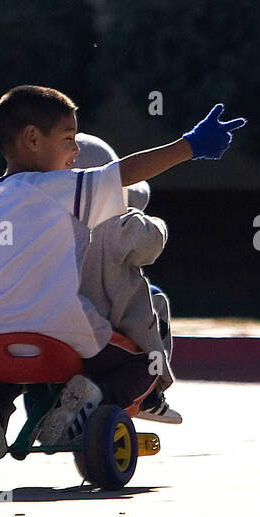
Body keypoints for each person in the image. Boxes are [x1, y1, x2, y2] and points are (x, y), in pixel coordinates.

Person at [0, 85, 245, 459]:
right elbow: (124, 172)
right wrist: (189, 146)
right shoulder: (59, 187)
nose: (75, 150)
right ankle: (81, 408)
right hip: (62, 329)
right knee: (144, 364)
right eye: (68, 139)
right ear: (33, 139)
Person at [72, 133, 180, 423]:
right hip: (102, 326)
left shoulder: (43, 221)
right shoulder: (117, 225)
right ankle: (148, 397)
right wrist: (143, 218)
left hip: (42, 324)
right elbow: (151, 244)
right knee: (149, 351)